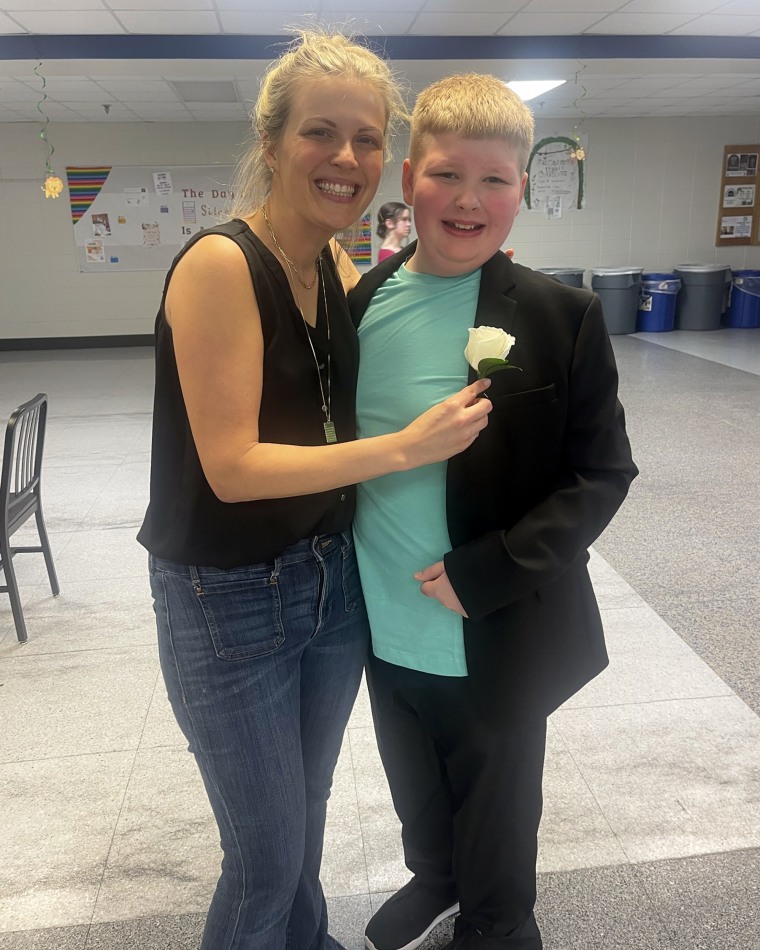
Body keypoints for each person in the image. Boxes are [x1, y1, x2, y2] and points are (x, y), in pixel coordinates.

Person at [137, 36, 493, 950]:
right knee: (263, 857)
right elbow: (232, 468)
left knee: (304, 819)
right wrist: (401, 450)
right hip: (227, 597)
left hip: (329, 583)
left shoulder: (336, 268)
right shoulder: (222, 265)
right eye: (321, 132)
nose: (346, 157)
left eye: (368, 139)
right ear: (272, 142)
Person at [349, 73, 638, 950]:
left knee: (499, 800)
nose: (468, 200)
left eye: (494, 180)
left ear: (522, 190)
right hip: (380, 613)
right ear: (409, 181)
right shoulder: (358, 308)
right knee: (414, 781)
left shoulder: (561, 316)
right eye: (446, 175)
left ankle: (499, 921)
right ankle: (437, 878)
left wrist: (491, 571)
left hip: (495, 616)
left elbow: (602, 473)